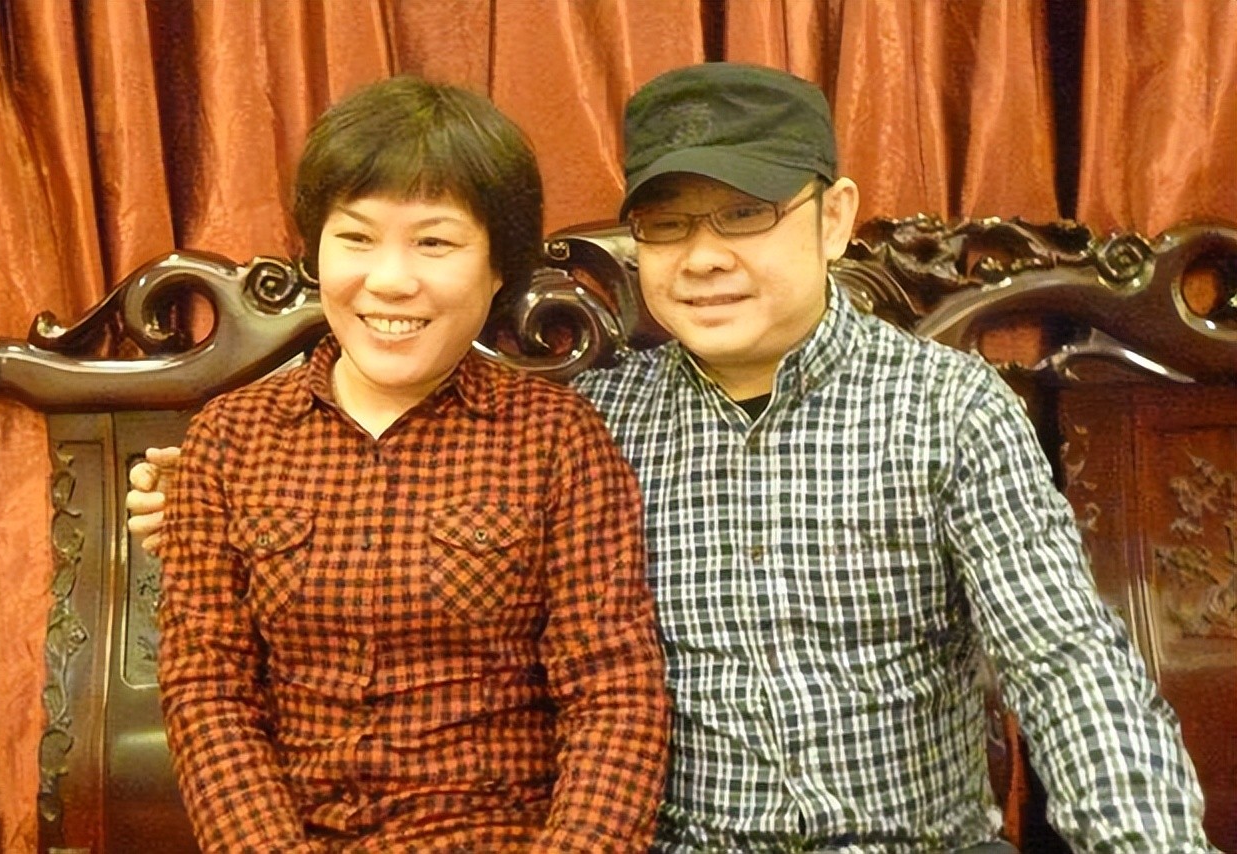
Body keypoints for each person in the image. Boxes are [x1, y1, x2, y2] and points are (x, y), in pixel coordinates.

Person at [131, 64, 1216, 852]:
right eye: (666, 225)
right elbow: (407, 478)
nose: (702, 258)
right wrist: (204, 498)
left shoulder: (951, 410)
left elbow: (1064, 662)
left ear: (832, 217)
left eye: (744, 215)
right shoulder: (599, 416)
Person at [144, 75, 670, 853]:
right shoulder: (230, 438)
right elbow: (208, 690)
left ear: (498, 268)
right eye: (356, 238)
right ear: (314, 251)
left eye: (435, 242)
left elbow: (613, 693)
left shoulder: (556, 438)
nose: (390, 281)